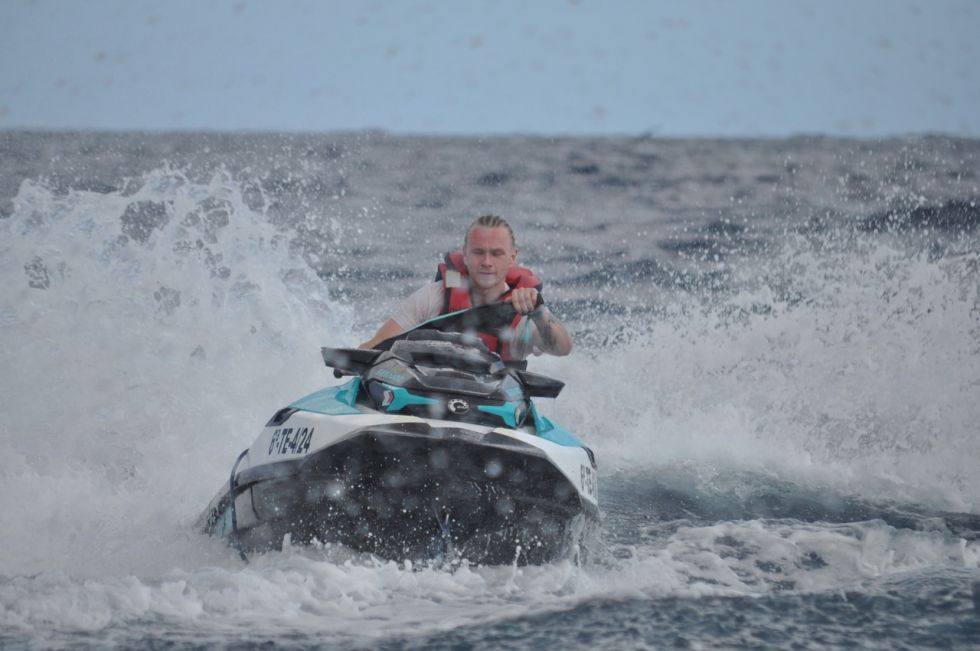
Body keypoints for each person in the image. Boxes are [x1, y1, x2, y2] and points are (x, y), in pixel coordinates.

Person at [360, 215, 573, 360]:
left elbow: (562, 349)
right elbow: (376, 346)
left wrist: (539, 313)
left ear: (513, 257)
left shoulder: (525, 312)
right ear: (465, 254)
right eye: (479, 252)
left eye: (496, 253)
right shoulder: (434, 296)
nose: (487, 262)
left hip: (493, 415)